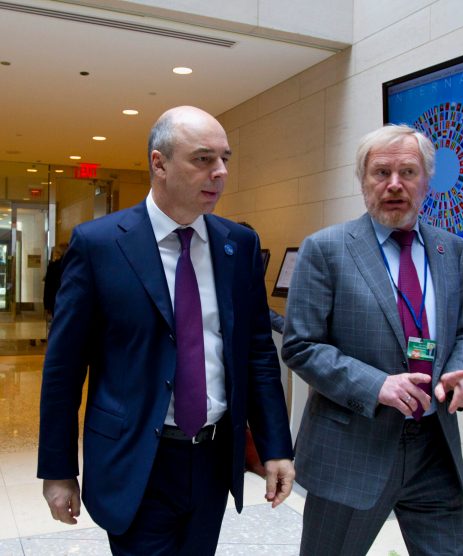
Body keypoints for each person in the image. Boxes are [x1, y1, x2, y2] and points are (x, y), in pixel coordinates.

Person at [37, 105, 295, 555]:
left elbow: (257, 352)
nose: (220, 173)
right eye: (203, 159)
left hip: (213, 459)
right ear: (159, 163)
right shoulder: (99, 245)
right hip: (136, 458)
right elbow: (64, 368)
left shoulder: (238, 245)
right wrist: (58, 470)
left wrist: (276, 446)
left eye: (224, 159)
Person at [281, 124, 463, 555]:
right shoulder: (326, 249)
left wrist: (458, 373)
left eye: (408, 172)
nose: (394, 184)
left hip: (434, 447)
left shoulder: (451, 250)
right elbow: (301, 345)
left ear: (426, 181)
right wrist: (377, 385)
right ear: (363, 181)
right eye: (381, 172)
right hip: (353, 449)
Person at [42, 242, 67, 318]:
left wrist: (46, 304)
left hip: (55, 300)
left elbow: (48, 287)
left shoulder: (52, 266)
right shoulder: (71, 266)